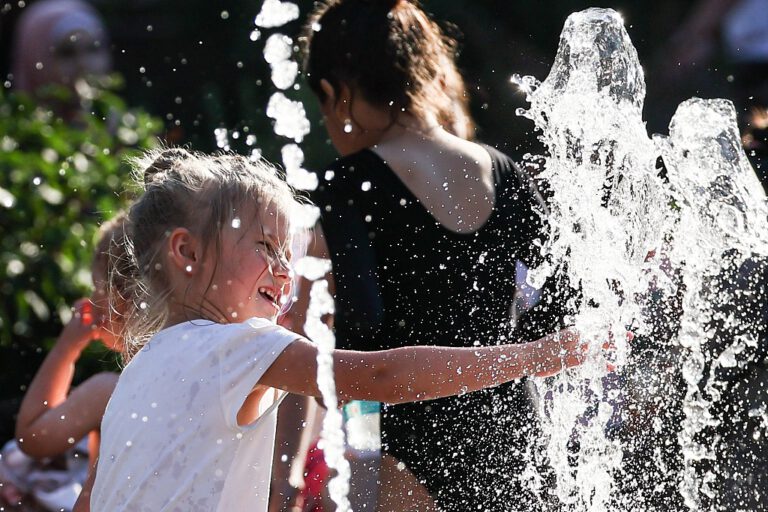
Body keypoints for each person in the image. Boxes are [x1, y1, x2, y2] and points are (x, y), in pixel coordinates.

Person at [77, 148, 598, 512]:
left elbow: (92, 497)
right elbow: (381, 375)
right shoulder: (233, 347)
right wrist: (541, 354)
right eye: (264, 247)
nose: (285, 271)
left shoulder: (139, 368)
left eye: (288, 252)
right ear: (187, 252)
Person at [298, 0, 572, 509]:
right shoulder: (506, 172)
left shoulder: (348, 187)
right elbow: (557, 311)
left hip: (413, 446)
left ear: (337, 95)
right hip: (515, 440)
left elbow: (358, 330)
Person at [1, 213, 130, 512]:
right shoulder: (203, 382)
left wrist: (66, 348)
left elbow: (32, 436)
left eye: (97, 288)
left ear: (116, 302)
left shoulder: (111, 392)